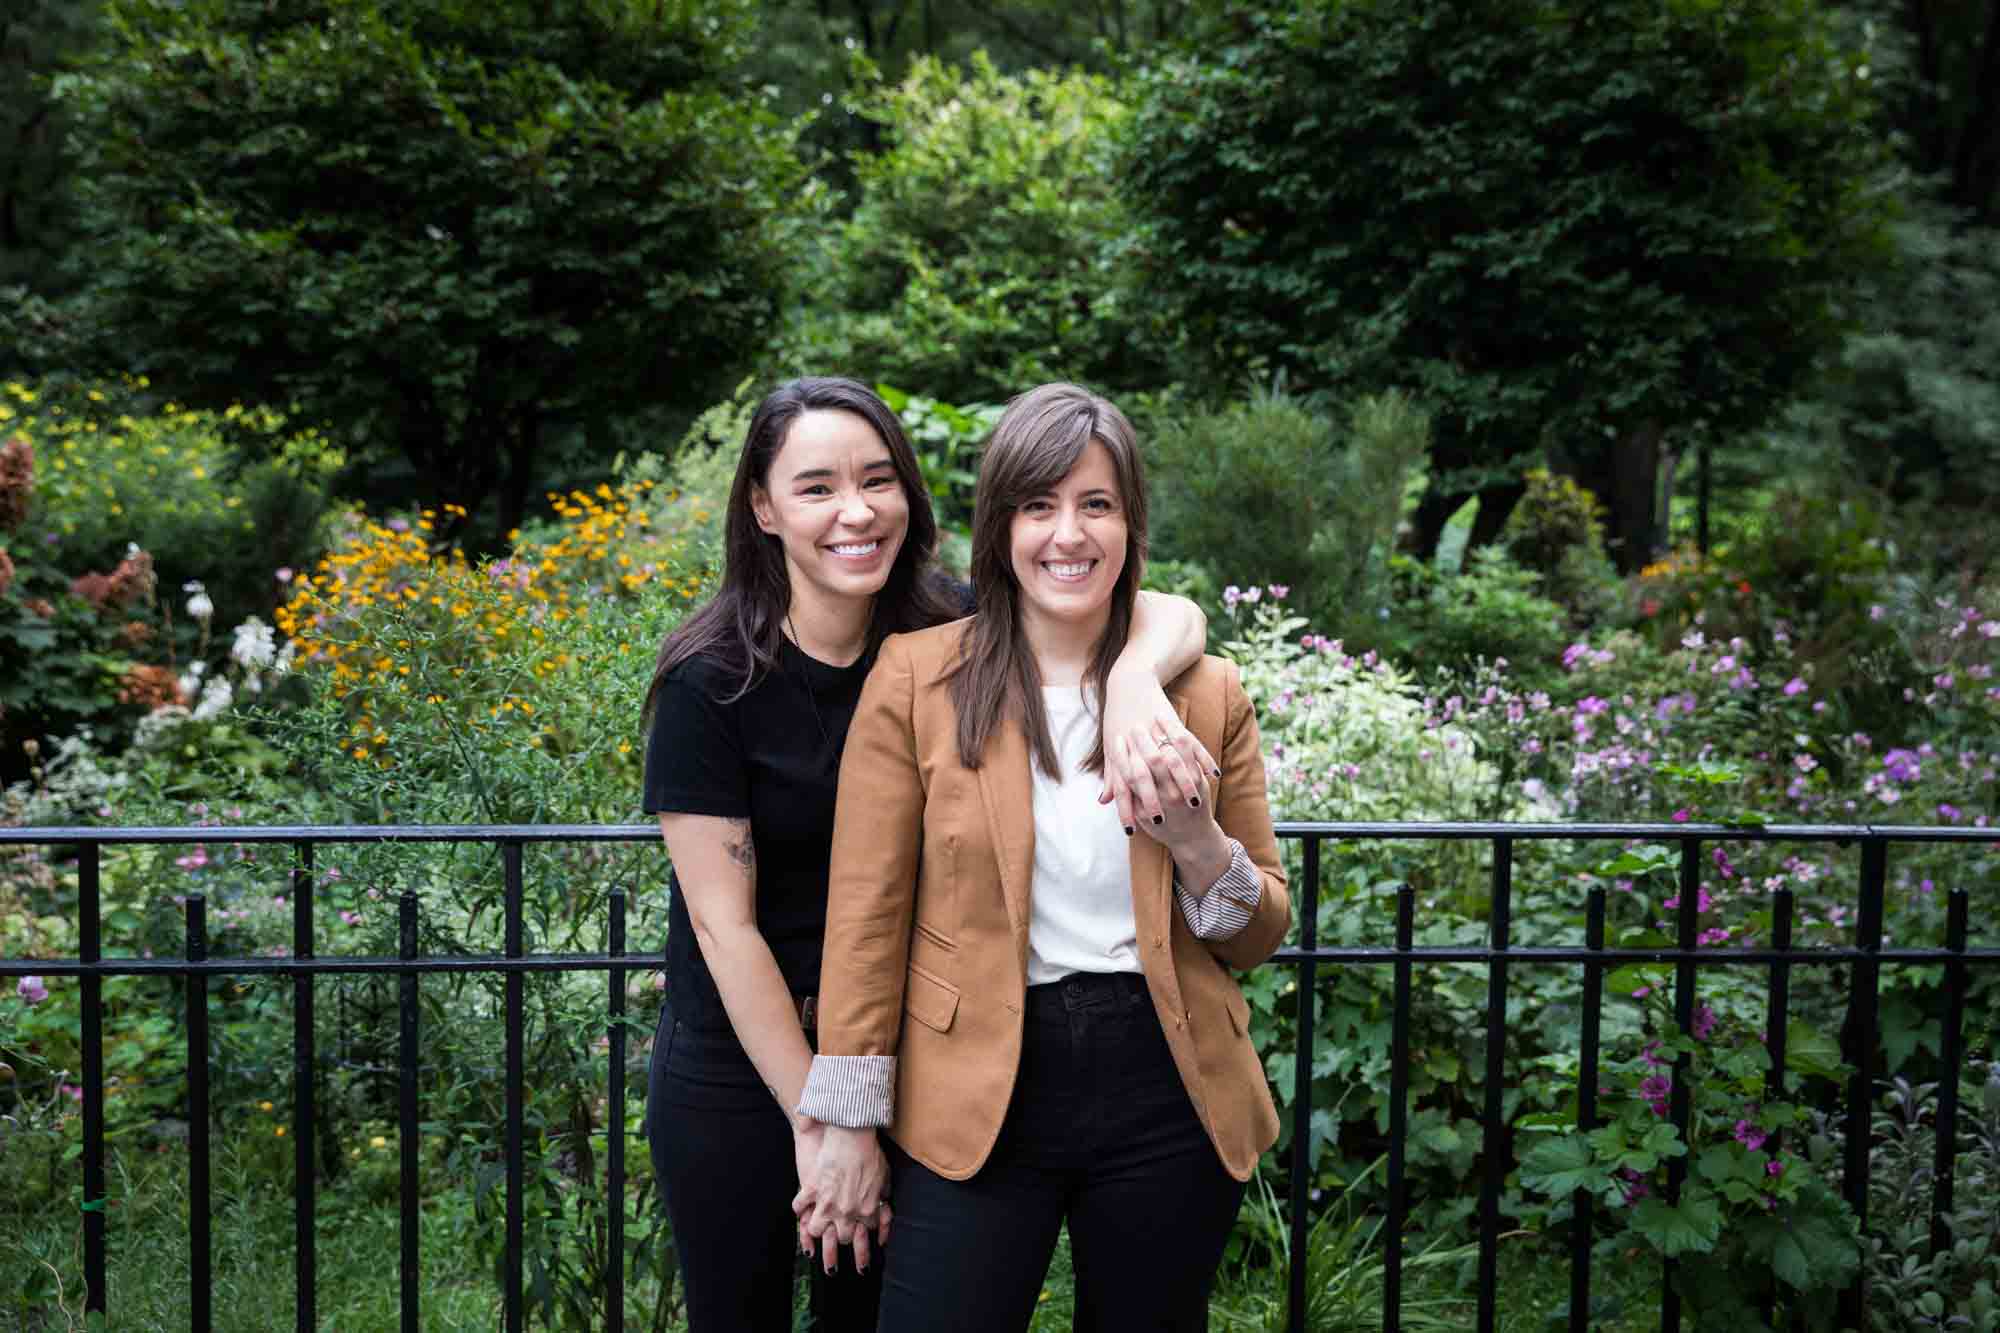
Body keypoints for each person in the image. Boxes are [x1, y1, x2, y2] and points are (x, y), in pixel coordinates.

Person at [639, 376, 1215, 1332]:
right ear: (762, 506)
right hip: (747, 1065)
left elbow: (1164, 608)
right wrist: (825, 1124)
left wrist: (1133, 682)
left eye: (879, 479)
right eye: (817, 486)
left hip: (895, 1050)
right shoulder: (712, 682)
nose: (856, 511)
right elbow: (721, 925)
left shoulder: (942, 633)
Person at [796, 382, 1291, 1332]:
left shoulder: (1207, 692)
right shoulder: (917, 680)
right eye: (1039, 505)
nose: (1069, 534)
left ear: (1129, 521)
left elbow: (1258, 929)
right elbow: (864, 918)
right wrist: (850, 1120)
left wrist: (1194, 839)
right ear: (1001, 524)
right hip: (973, 1081)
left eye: (1096, 504)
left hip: (1165, 1081)